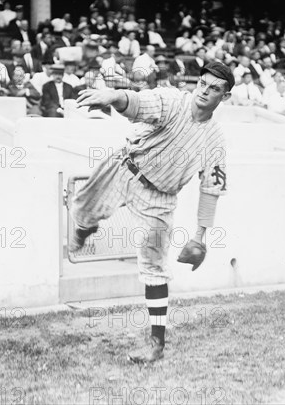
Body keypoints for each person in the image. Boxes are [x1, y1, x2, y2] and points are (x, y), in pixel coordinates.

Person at [70, 61, 232, 364]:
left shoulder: (215, 139)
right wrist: (114, 97)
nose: (205, 92)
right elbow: (139, 104)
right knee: (81, 209)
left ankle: (156, 344)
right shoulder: (174, 100)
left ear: (224, 97)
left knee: (154, 269)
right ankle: (85, 227)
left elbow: (211, 188)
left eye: (215, 89)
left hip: (159, 197)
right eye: (203, 84)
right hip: (124, 168)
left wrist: (200, 236)